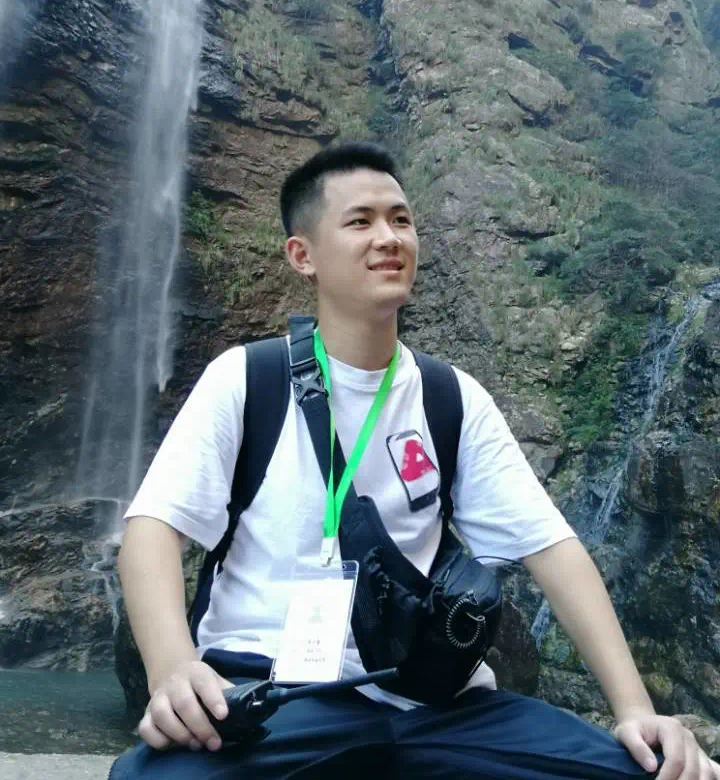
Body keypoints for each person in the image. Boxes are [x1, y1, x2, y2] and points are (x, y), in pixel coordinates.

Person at [110, 142, 719, 780]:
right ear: (302, 255)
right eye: (360, 221)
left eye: (400, 219)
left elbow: (552, 550)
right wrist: (173, 668)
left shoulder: (450, 397)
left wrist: (634, 709)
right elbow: (152, 529)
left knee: (659, 774)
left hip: (436, 703)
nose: (389, 237)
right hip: (275, 694)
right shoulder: (247, 379)